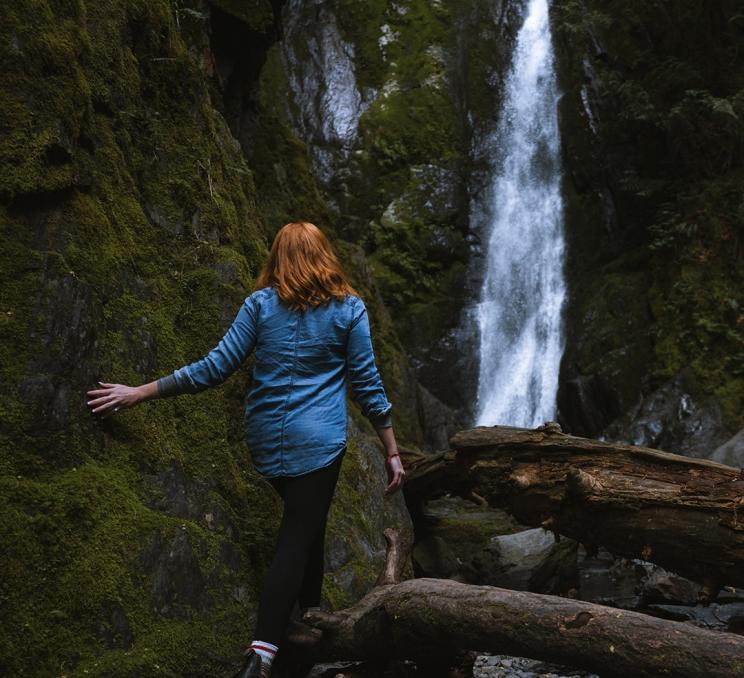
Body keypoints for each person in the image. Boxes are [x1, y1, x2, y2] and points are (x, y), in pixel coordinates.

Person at [85, 221, 406, 678]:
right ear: (324, 256)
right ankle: (263, 653)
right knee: (297, 536)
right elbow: (369, 387)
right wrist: (392, 450)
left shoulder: (260, 305)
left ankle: (309, 622)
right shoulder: (348, 310)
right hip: (317, 442)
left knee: (308, 523)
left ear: (277, 257)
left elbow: (214, 367)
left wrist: (140, 392)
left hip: (265, 439)